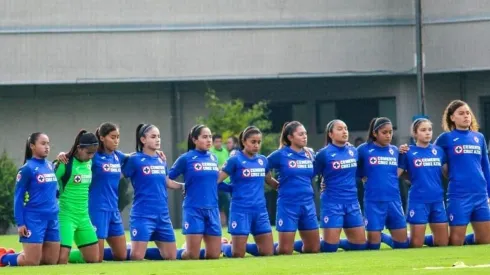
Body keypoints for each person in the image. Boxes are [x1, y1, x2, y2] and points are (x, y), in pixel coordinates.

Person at [123, 123, 182, 260]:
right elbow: (118, 175)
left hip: (162, 216)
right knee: (137, 256)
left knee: (171, 257)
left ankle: (126, 247)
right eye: (153, 136)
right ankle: (120, 249)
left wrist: (184, 186)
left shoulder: (161, 160)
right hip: (143, 215)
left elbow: (167, 182)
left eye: (159, 136)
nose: (158, 139)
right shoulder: (134, 160)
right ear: (143, 140)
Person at [434, 100, 490, 246]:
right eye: (461, 113)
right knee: (455, 242)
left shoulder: (479, 137)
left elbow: (485, 166)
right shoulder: (445, 138)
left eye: (467, 113)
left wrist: (489, 193)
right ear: (452, 117)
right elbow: (429, 156)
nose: (466, 116)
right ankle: (421, 239)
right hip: (459, 194)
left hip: (480, 194)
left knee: (485, 240)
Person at [0, 133, 59, 267]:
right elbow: (18, 197)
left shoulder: (51, 166)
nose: (47, 147)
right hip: (34, 218)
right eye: (43, 144)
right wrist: (20, 223)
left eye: (48, 143)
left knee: (50, 261)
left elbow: (54, 191)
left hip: (52, 218)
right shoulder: (27, 169)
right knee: (31, 262)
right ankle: (3, 257)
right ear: (32, 146)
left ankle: (23, 252)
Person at [218, 126, 275, 258]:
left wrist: (283, 187)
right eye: (253, 142)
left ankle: (240, 245)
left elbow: (269, 180)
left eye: (259, 142)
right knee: (238, 254)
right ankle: (223, 246)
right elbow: (217, 181)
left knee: (268, 252)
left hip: (260, 210)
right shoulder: (235, 160)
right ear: (244, 142)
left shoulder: (262, 160)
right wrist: (231, 188)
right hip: (241, 209)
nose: (256, 145)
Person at [169, 125, 221, 260]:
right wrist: (181, 186)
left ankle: (225, 246)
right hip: (194, 209)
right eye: (204, 137)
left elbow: (214, 182)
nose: (209, 140)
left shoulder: (214, 158)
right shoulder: (185, 158)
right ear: (194, 139)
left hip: (212, 209)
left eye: (210, 136)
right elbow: (167, 179)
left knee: (214, 255)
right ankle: (178, 252)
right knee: (192, 255)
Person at [267, 121, 320, 255]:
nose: (305, 137)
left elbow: (319, 170)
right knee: (285, 251)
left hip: (308, 203)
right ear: (290, 137)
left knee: (313, 249)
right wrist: (272, 182)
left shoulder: (310, 154)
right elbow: (260, 166)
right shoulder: (280, 154)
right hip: (288, 204)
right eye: (301, 134)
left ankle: (284, 244)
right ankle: (263, 248)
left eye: (305, 134)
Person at [357, 117, 408, 250]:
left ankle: (383, 237)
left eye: (390, 132)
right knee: (374, 246)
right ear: (375, 133)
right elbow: (352, 168)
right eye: (384, 132)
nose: (388, 135)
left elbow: (397, 172)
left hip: (394, 201)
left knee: (403, 245)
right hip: (373, 201)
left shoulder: (395, 151)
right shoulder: (363, 150)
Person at [316, 120, 367, 252]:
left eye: (346, 128)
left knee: (360, 246)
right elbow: (311, 173)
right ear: (331, 134)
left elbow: (360, 172)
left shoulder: (353, 151)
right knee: (330, 247)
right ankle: (306, 243)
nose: (344, 131)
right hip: (332, 203)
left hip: (352, 202)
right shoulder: (323, 154)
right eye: (340, 129)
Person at [398, 118, 448, 247]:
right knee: (416, 244)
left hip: (437, 199)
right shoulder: (407, 152)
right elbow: (399, 173)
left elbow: (446, 172)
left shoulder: (439, 151)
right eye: (423, 130)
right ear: (415, 133)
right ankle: (392, 239)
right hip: (418, 199)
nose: (427, 133)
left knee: (443, 243)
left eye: (430, 130)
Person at [56, 130, 100, 264]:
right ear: (79, 148)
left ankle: (50, 255)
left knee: (94, 259)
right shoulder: (65, 164)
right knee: (61, 261)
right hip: (66, 216)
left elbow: (115, 154)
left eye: (94, 153)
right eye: (88, 153)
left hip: (83, 217)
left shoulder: (89, 162)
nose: (91, 156)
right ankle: (8, 257)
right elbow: (48, 186)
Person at [211, 134, 231, 227]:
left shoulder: (225, 151)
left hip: (226, 182)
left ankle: (229, 224)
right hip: (215, 183)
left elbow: (228, 165)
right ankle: (215, 224)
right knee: (215, 205)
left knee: (227, 204)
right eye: (216, 141)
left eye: (220, 141)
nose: (218, 143)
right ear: (213, 142)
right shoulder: (211, 152)